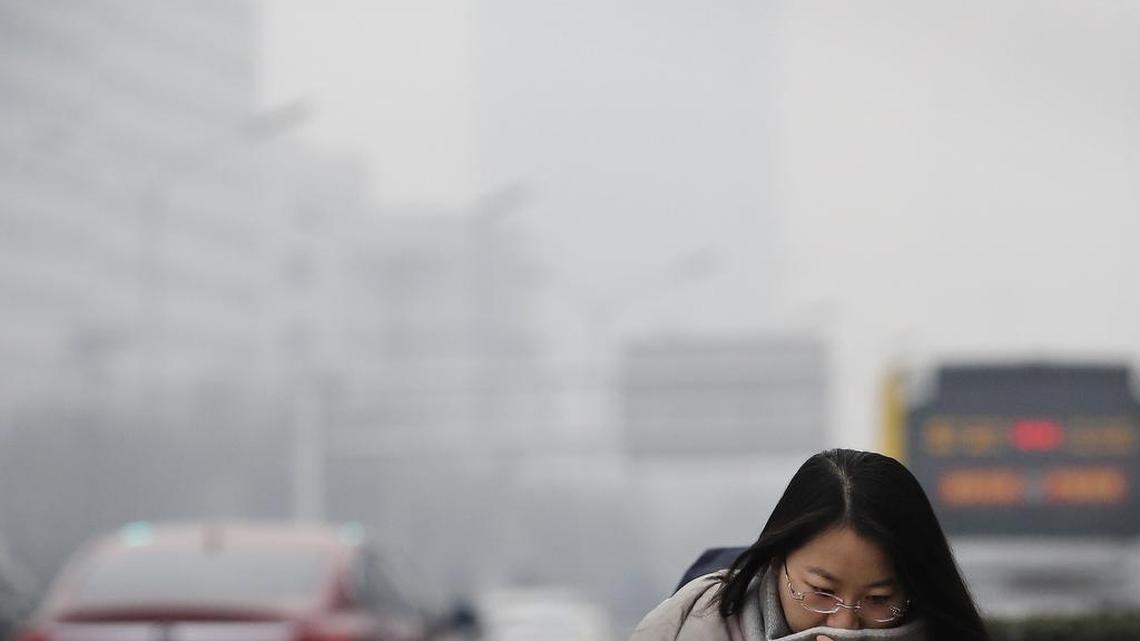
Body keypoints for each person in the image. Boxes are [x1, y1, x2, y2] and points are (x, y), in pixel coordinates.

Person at [629, 449, 989, 641]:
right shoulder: (691, 627)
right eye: (821, 591)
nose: (844, 625)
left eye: (878, 600)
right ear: (776, 561)